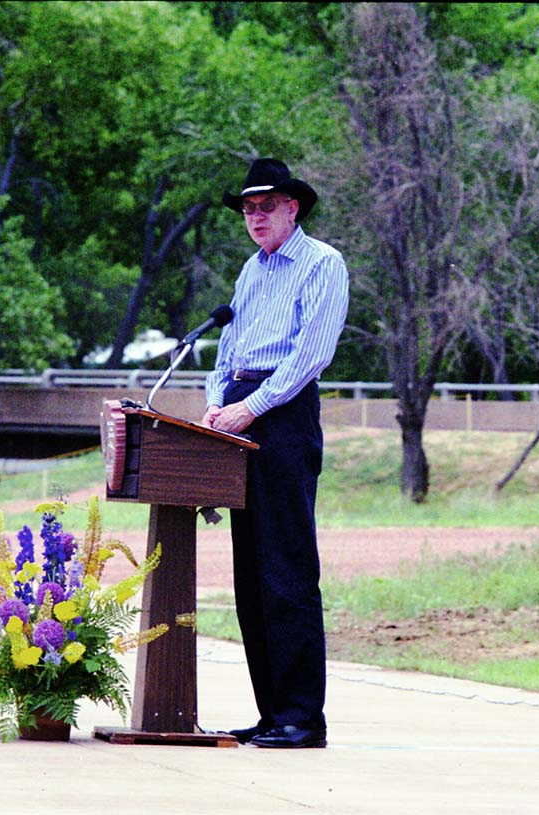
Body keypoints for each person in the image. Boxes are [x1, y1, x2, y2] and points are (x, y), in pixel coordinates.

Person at [202, 158, 349, 749]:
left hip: (280, 413)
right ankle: (270, 715)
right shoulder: (250, 271)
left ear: (294, 208)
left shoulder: (322, 264)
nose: (255, 217)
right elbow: (227, 345)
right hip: (240, 406)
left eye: (267, 206)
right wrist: (217, 404)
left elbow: (309, 354)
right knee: (250, 575)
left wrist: (250, 407)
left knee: (286, 569)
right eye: (248, 209)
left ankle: (301, 718)